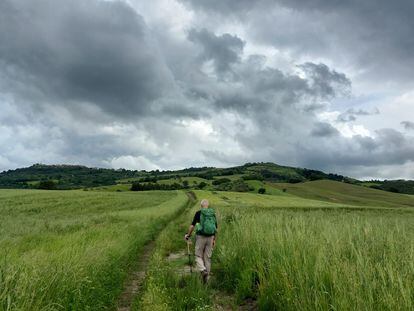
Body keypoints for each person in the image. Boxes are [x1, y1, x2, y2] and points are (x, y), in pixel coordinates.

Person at [184, 199, 217, 283]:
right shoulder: (212, 214)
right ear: (208, 205)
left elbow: (192, 226)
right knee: (207, 257)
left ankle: (203, 270)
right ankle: (206, 279)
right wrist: (214, 239)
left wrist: (188, 235)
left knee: (198, 256)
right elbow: (215, 228)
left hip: (201, 237)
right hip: (211, 237)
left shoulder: (198, 213)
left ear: (201, 205)